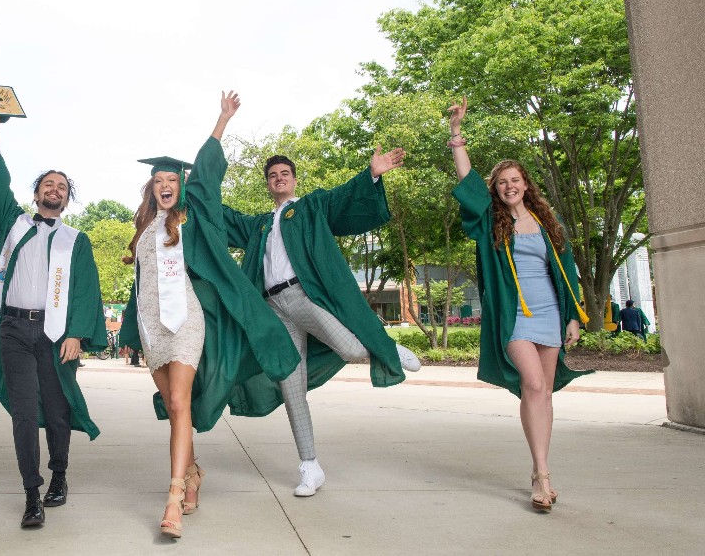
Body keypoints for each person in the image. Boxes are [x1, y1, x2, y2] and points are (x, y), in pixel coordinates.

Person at [118, 91, 299, 539]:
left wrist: (221, 122)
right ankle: (194, 472)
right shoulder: (143, 230)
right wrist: (128, 331)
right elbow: (139, 286)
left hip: (186, 323)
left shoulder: (193, 217)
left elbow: (206, 178)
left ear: (180, 187)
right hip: (151, 328)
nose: (165, 184)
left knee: (180, 403)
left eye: (172, 179)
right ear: (151, 187)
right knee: (176, 407)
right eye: (158, 179)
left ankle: (175, 495)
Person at [222, 149, 420, 497]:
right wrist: (197, 189)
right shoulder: (261, 225)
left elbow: (342, 197)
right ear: (268, 185)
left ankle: (388, 349)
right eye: (273, 176)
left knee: (347, 347)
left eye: (285, 173)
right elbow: (225, 219)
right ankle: (310, 466)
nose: (279, 178)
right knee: (292, 387)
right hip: (273, 309)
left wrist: (370, 174)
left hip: (302, 296)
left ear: (294, 179)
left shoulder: (310, 207)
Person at [0, 111, 107, 528]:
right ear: (36, 194)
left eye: (62, 186)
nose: (55, 189)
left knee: (56, 410)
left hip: (55, 335)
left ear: (67, 200)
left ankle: (59, 476)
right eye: (48, 184)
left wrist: (77, 333)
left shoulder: (77, 241)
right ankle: (31, 495)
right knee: (22, 412)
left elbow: (87, 289)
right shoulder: (13, 224)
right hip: (14, 329)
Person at [447, 96, 591, 512]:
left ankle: (539, 469)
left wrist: (573, 318)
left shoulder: (549, 225)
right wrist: (457, 134)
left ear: (526, 184)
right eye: (501, 182)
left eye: (515, 180)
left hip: (549, 314)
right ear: (496, 189)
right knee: (531, 384)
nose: (509, 186)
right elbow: (468, 181)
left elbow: (566, 275)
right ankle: (542, 477)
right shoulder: (491, 222)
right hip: (514, 317)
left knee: (543, 393)